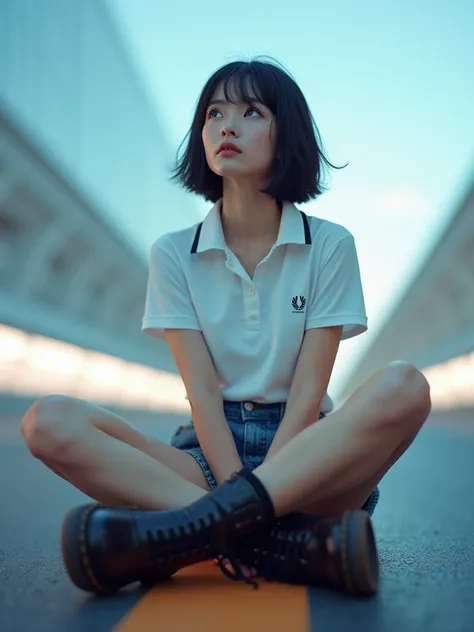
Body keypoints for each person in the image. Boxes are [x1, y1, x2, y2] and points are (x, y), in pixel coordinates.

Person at [21, 58, 431, 596]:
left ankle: (186, 533)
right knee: (47, 421)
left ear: (287, 135)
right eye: (214, 113)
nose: (226, 126)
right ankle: (284, 544)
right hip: (203, 460)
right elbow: (202, 395)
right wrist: (237, 486)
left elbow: (308, 393)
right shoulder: (173, 253)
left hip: (308, 453)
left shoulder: (330, 244)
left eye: (251, 112)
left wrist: (264, 487)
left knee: (405, 386)